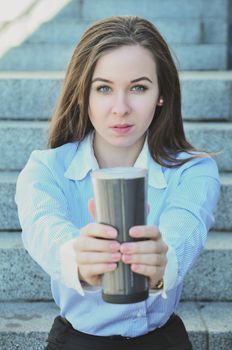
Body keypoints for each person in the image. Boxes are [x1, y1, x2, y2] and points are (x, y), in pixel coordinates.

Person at [15, 16, 220, 350]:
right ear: (82, 95)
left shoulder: (194, 170)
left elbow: (186, 225)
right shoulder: (45, 168)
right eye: (104, 88)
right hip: (78, 340)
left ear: (161, 94)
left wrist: (162, 258)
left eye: (138, 87)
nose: (121, 108)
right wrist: (76, 257)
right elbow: (43, 227)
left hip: (162, 340)